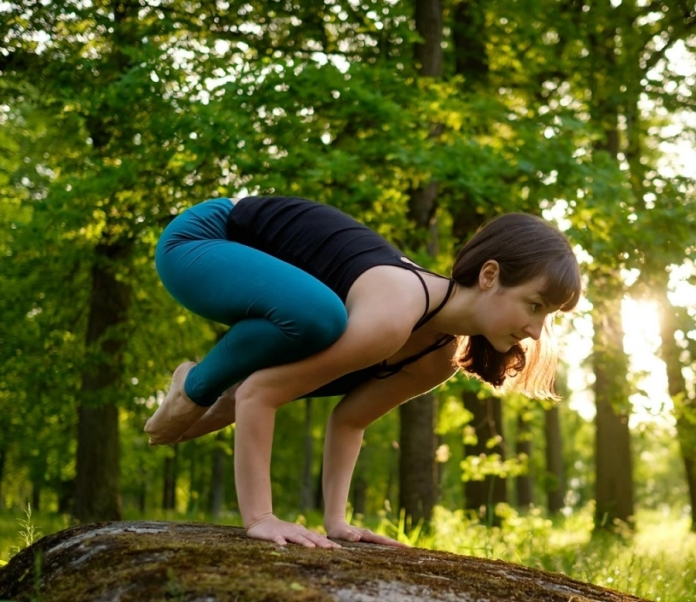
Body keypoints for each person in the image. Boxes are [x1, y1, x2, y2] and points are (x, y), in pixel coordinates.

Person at [144, 195, 580, 548]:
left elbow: (351, 420)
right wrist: (261, 518)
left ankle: (202, 389)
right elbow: (260, 393)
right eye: (534, 306)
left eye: (548, 316)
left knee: (210, 416)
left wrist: (337, 521)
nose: (536, 332)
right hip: (202, 240)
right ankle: (193, 385)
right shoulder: (396, 311)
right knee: (317, 319)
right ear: (490, 275)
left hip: (272, 306)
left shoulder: (436, 358)